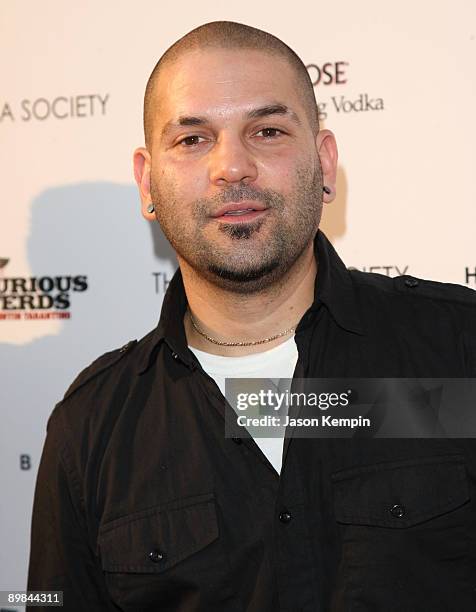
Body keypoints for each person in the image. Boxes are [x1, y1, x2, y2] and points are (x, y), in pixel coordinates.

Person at [27, 20, 476, 612]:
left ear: (323, 162)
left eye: (267, 131)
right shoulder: (90, 427)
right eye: (192, 139)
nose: (232, 166)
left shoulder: (459, 349)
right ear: (147, 182)